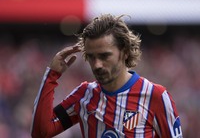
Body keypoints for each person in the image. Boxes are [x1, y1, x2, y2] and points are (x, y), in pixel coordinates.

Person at [31, 14, 183, 138]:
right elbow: (41, 133)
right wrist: (52, 75)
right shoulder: (84, 95)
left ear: (124, 52)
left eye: (105, 56)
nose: (97, 65)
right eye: (91, 57)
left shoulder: (155, 96)